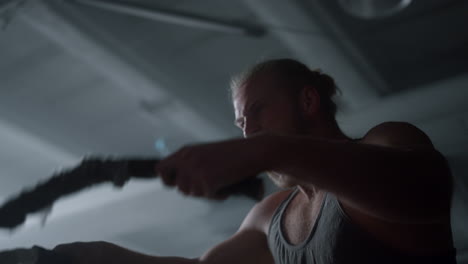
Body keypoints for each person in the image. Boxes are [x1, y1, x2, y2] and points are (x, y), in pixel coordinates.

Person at [53, 58, 456, 264]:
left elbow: (427, 191)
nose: (248, 131)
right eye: (242, 123)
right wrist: (100, 256)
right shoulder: (271, 215)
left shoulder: (387, 141)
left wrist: (267, 149)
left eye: (258, 111)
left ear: (308, 101)